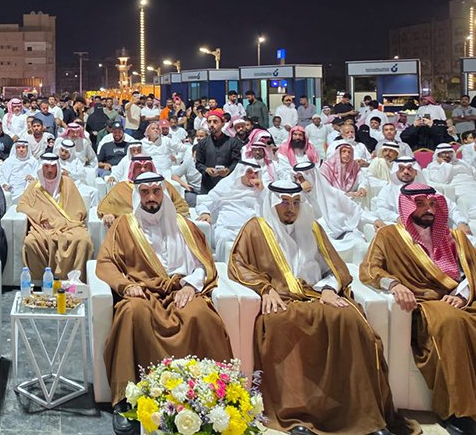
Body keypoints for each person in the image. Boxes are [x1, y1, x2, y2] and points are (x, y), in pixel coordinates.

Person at [229, 180, 401, 435]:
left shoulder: (312, 227)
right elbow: (238, 265)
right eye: (285, 203)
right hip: (283, 300)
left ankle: (364, 415)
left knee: (348, 319)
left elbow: (333, 267)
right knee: (280, 324)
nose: (291, 209)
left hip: (316, 294)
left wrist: (329, 290)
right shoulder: (255, 229)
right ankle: (296, 414)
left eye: (296, 203)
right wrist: (265, 289)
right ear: (273, 203)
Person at [96, 171, 234, 435]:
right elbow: (106, 263)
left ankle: (213, 395)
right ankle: (127, 400)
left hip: (180, 290)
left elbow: (204, 262)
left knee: (202, 316)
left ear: (164, 193)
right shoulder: (125, 225)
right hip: (143, 294)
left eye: (156, 192)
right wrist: (126, 285)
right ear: (138, 195)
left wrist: (192, 286)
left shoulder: (184, 225)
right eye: (145, 193)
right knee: (131, 313)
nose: (151, 198)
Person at [360, 183, 476, 435]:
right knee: (452, 323)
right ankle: (459, 411)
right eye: (421, 204)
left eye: (432, 204)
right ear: (408, 206)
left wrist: (462, 293)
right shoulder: (389, 236)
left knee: (457, 317)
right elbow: (369, 270)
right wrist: (395, 284)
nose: (428, 210)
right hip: (425, 303)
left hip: (460, 299)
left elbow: (473, 270)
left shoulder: (454, 236)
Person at [16, 153, 93, 281]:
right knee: (31, 242)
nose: (50, 170)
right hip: (44, 228)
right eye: (46, 167)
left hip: (69, 226)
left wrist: (62, 222)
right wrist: (38, 216)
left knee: (84, 240)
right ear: (41, 168)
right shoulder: (35, 187)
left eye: (53, 167)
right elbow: (21, 206)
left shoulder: (68, 183)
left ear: (58, 167)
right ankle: (42, 281)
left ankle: (75, 280)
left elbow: (80, 210)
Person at [195, 160, 265, 254]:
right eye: (249, 172)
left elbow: (271, 210)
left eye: (256, 173)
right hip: (229, 229)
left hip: (254, 231)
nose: (253, 176)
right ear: (241, 172)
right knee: (224, 237)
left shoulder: (260, 190)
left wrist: (263, 192)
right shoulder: (226, 185)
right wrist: (205, 213)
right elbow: (204, 204)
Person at [99, 156, 189, 226]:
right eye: (138, 167)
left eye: (146, 166)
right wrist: (108, 214)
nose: (143, 170)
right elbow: (106, 206)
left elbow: (181, 205)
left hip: (163, 228)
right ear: (132, 169)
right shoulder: (121, 187)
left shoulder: (163, 185)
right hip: (131, 228)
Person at [194, 109, 242, 193]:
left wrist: (228, 170)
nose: (211, 125)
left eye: (215, 122)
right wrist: (206, 169)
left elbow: (237, 161)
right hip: (208, 185)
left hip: (228, 185)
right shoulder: (202, 143)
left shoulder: (232, 142)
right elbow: (198, 164)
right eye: (209, 122)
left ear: (222, 123)